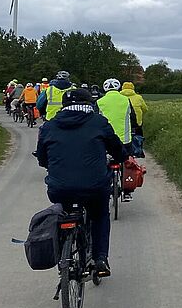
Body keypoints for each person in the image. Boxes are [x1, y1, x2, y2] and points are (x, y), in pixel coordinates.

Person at [35, 88, 123, 278]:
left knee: (64, 212)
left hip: (60, 188)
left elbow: (42, 158)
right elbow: (116, 148)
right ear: (89, 104)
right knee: (99, 215)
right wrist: (121, 156)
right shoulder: (98, 122)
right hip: (94, 187)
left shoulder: (49, 126)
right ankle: (100, 259)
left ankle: (64, 255)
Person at [98, 78, 140, 201]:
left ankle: (104, 187)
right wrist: (136, 127)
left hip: (105, 140)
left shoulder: (100, 102)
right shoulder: (126, 100)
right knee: (127, 162)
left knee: (102, 162)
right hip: (125, 140)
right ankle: (127, 192)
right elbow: (133, 118)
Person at [121, 82, 147, 157]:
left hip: (123, 122)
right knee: (139, 134)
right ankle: (139, 150)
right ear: (133, 88)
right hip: (137, 123)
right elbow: (145, 109)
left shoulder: (120, 97)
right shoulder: (138, 97)